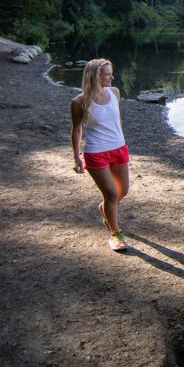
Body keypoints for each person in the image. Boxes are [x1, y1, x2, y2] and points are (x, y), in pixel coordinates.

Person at [71, 58, 130, 251]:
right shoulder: (79, 102)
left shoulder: (114, 93)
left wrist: (122, 142)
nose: (112, 77)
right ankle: (115, 234)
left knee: (123, 191)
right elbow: (77, 129)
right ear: (95, 76)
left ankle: (105, 208)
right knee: (111, 194)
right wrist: (76, 157)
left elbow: (118, 119)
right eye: (107, 74)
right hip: (96, 152)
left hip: (118, 148)